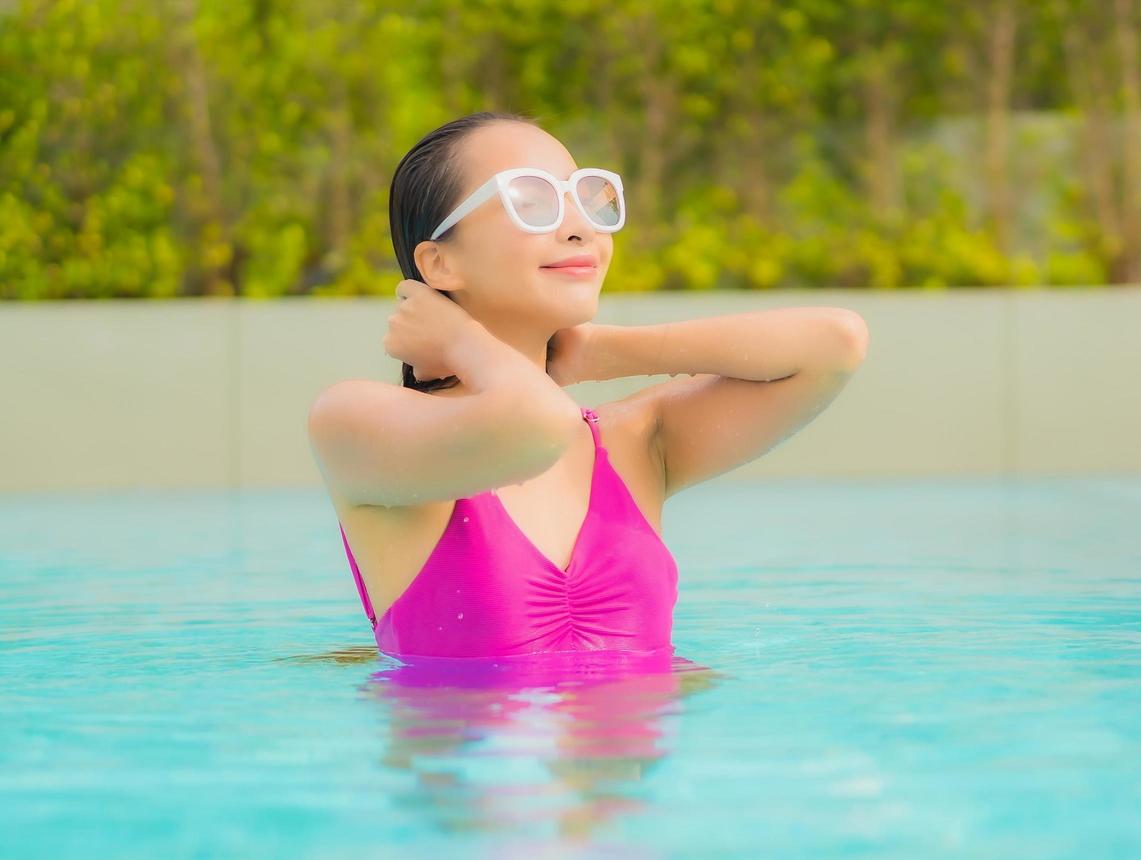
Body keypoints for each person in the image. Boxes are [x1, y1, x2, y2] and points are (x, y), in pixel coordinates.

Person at [306, 110, 868, 659]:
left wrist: (602, 350)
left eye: (584, 196)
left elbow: (835, 345)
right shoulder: (355, 423)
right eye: (531, 200)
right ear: (440, 264)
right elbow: (538, 428)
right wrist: (461, 342)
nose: (578, 226)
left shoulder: (635, 444)